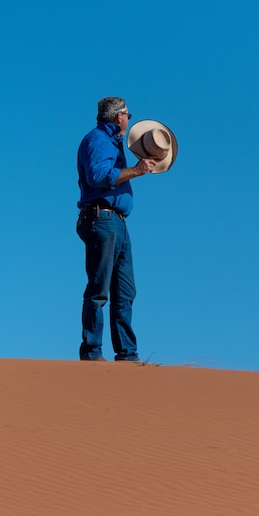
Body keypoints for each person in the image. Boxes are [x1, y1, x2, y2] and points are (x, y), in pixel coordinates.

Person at [76, 97, 156, 362]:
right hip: (103, 218)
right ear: (119, 116)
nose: (129, 119)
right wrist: (135, 171)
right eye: (128, 114)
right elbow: (98, 177)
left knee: (125, 290)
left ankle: (127, 354)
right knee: (99, 289)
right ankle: (92, 352)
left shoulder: (111, 143)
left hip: (116, 221)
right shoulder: (97, 141)